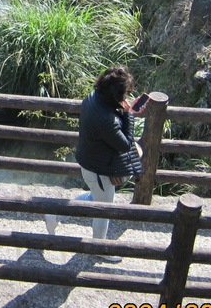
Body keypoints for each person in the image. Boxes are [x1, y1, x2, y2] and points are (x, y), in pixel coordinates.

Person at [46, 66, 144, 262]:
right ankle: (98, 247)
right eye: (125, 93)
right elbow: (125, 144)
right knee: (103, 209)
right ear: (115, 94)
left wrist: (121, 109)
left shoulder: (92, 97)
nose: (127, 96)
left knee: (95, 197)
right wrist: (129, 114)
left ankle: (55, 214)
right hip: (100, 170)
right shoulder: (107, 120)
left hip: (90, 163)